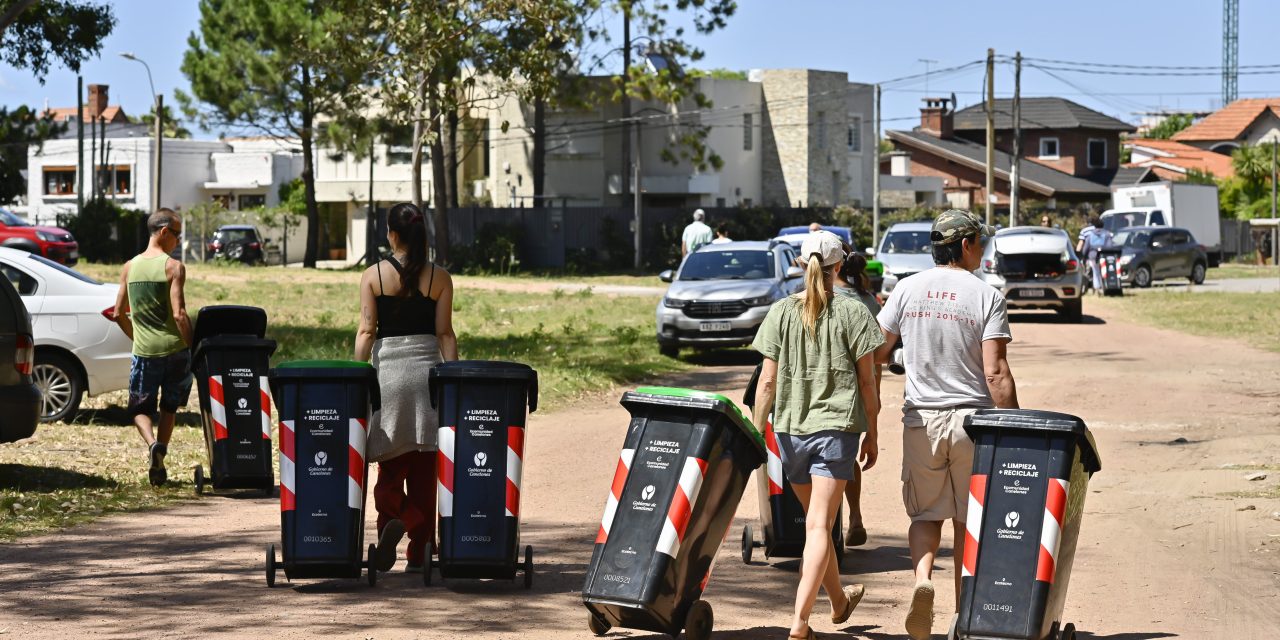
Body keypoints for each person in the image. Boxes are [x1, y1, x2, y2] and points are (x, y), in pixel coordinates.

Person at [874, 209, 1018, 640]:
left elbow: (879, 351)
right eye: (981, 242)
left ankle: (923, 579)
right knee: (967, 520)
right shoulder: (986, 295)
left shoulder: (906, 289)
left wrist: (906, 358)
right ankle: (962, 613)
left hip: (922, 420)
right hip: (973, 422)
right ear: (967, 245)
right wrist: (1014, 426)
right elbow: (995, 372)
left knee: (925, 513)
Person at [752, 230, 883, 640]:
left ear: (801, 264)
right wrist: (873, 433)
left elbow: (767, 384)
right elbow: (868, 384)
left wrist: (758, 433)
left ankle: (840, 602)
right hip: (836, 431)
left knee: (817, 525)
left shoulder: (779, 312)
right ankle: (800, 621)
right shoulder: (854, 312)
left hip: (789, 433)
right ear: (838, 267)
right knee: (818, 528)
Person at [355, 202, 459, 573]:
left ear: (392, 233)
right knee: (423, 472)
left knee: (388, 469)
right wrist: (455, 376)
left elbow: (367, 332)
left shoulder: (373, 276)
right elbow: (444, 333)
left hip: (390, 379)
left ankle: (399, 518)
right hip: (428, 378)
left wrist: (356, 373)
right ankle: (421, 552)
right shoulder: (440, 278)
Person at [113, 208, 194, 486]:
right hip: (174, 351)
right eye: (177, 235)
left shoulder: (129, 267)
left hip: (145, 352)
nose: (178, 241)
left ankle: (151, 445)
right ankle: (162, 451)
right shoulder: (173, 267)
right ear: (163, 232)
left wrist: (137, 337)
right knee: (169, 408)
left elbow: (117, 313)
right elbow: (179, 314)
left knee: (139, 409)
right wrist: (191, 346)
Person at [831, 248, 881, 549]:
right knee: (848, 456)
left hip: (829, 387)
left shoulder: (818, 297)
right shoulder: (867, 300)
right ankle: (855, 517)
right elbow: (877, 357)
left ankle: (827, 524)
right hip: (864, 388)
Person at [1076, 217, 1114, 294]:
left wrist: (1082, 256)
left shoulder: (1089, 234)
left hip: (1092, 256)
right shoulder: (1106, 233)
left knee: (1095, 272)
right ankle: (1105, 286)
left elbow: (1084, 246)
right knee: (1104, 271)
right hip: (1104, 255)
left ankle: (1096, 288)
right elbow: (1110, 246)